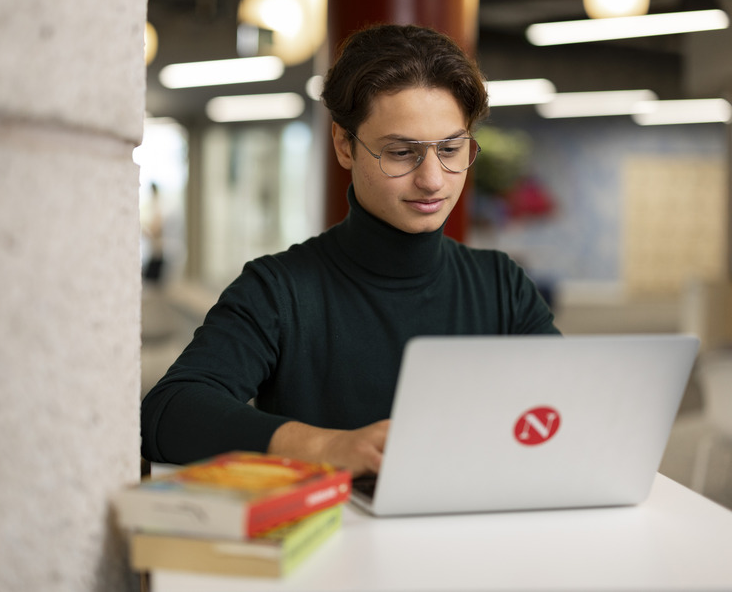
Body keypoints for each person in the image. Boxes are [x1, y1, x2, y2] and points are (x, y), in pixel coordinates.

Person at [141, 24, 559, 477]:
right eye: (401, 152)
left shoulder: (500, 284)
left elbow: (569, 408)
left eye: (451, 148)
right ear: (345, 145)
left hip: (481, 533)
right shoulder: (279, 290)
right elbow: (168, 413)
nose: (433, 179)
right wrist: (325, 445)